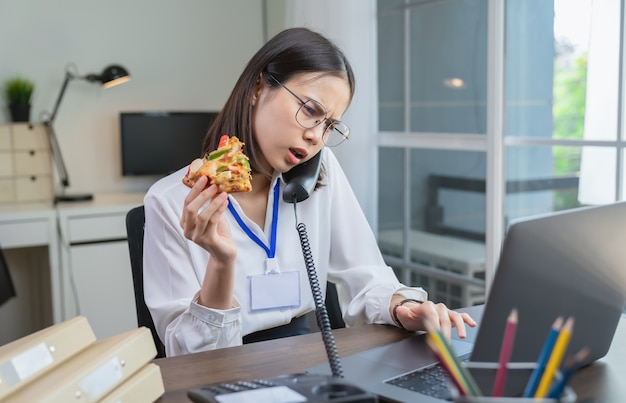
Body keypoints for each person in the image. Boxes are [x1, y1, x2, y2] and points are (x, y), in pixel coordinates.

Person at [143, 27, 475, 356]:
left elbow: (367, 277)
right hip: (224, 368)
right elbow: (186, 352)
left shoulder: (320, 171)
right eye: (311, 111)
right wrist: (221, 261)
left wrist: (402, 306)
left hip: (307, 357)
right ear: (258, 87)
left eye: (329, 125)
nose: (316, 136)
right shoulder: (169, 200)